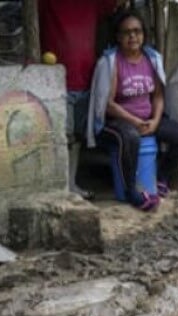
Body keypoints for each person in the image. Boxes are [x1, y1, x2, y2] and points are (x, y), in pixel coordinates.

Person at [87, 12, 178, 211]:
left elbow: (157, 96)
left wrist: (155, 120)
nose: (132, 37)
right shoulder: (111, 62)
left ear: (144, 34)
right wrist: (135, 122)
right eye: (127, 32)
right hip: (116, 124)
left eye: (137, 31)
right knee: (130, 137)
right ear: (118, 36)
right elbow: (108, 104)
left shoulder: (151, 59)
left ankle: (161, 176)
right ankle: (132, 192)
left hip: (147, 120)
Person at [40, 0, 125, 199]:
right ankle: (60, 188)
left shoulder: (93, 3)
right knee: (63, 137)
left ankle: (71, 185)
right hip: (57, 83)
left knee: (77, 136)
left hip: (87, 82)